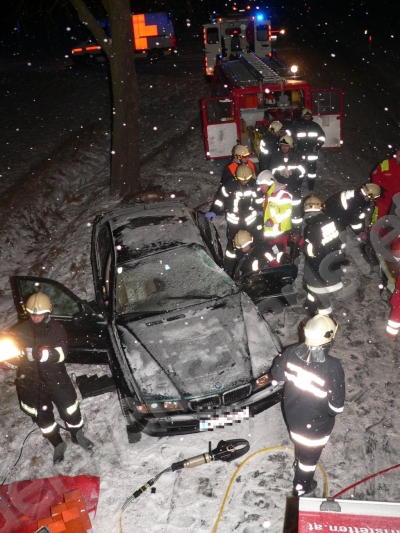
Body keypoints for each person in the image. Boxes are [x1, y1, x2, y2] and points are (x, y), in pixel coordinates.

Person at [11, 292, 94, 464]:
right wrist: (14, 358)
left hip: (56, 378)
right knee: (43, 418)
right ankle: (57, 443)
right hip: (32, 382)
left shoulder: (57, 329)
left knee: (71, 410)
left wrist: (44, 353)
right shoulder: (20, 331)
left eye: (39, 313)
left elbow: (61, 353)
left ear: (48, 312)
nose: (35, 317)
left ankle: (77, 436)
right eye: (32, 313)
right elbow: (11, 355)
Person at [270, 314, 345, 497]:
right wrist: (323, 412)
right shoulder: (333, 366)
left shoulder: (290, 352)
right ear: (329, 339)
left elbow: (277, 375)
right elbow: (337, 407)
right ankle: (301, 487)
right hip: (316, 426)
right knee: (308, 461)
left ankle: (299, 460)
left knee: (300, 442)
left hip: (293, 416)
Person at [207, 163, 261, 274]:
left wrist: (259, 210)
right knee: (233, 244)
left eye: (247, 179)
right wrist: (213, 211)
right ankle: (229, 267)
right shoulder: (229, 186)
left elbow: (258, 200)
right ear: (237, 177)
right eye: (242, 179)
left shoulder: (253, 185)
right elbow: (219, 200)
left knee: (250, 242)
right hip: (234, 222)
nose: (244, 181)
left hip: (250, 220)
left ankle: (250, 266)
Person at [301, 196, 344, 316]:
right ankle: (310, 303)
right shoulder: (329, 221)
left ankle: (325, 316)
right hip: (332, 261)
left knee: (319, 291)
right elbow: (337, 241)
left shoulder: (311, 228)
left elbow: (313, 251)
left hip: (319, 266)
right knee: (314, 287)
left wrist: (303, 245)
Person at [269, 135, 305, 226]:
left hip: (294, 187)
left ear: (291, 146)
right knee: (281, 210)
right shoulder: (275, 156)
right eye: (282, 146)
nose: (284, 148)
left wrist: (293, 174)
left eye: (286, 146)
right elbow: (271, 172)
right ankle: (284, 228)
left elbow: (303, 171)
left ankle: (296, 229)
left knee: (295, 210)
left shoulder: (297, 156)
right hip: (280, 188)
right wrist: (279, 173)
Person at [257, 170, 292, 255]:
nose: (260, 187)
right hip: (270, 233)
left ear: (270, 183)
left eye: (262, 185)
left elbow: (287, 211)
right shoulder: (268, 193)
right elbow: (268, 207)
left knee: (278, 255)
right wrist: (262, 212)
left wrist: (273, 220)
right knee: (269, 255)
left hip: (279, 233)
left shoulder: (282, 194)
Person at [290, 108, 325, 191]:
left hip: (311, 153)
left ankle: (311, 187)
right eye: (306, 116)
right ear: (303, 116)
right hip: (300, 152)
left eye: (309, 116)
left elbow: (322, 136)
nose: (307, 118)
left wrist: (318, 145)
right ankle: (298, 184)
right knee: (299, 169)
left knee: (311, 172)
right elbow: (291, 137)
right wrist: (293, 145)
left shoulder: (315, 126)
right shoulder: (298, 126)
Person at [371, 148, 400, 223]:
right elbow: (375, 176)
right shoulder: (386, 164)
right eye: (399, 156)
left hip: (398, 202)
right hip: (383, 198)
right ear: (395, 155)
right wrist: (378, 189)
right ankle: (373, 233)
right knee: (378, 221)